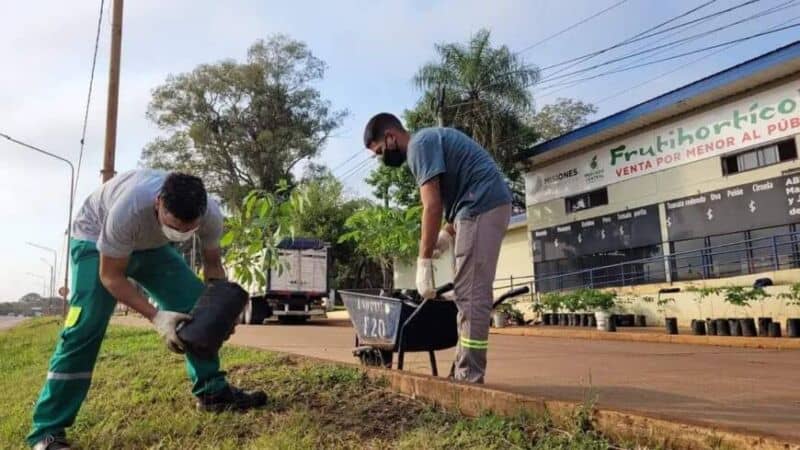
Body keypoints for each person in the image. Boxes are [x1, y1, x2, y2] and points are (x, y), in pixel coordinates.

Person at [28, 170, 266, 450]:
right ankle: (47, 431)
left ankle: (212, 392)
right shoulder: (129, 208)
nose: (180, 233)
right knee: (86, 325)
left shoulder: (210, 213)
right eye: (174, 225)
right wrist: (157, 317)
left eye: (187, 229)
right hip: (95, 239)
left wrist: (218, 309)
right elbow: (111, 277)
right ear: (158, 203)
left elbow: (212, 263)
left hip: (151, 246)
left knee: (196, 306)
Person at [363, 113, 512, 384]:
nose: (382, 158)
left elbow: (431, 206)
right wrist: (445, 234)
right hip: (477, 207)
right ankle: (462, 370)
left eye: (380, 151)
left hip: (481, 207)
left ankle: (469, 376)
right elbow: (457, 193)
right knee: (466, 293)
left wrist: (423, 263)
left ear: (390, 137)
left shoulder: (419, 145)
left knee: (471, 296)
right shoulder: (429, 141)